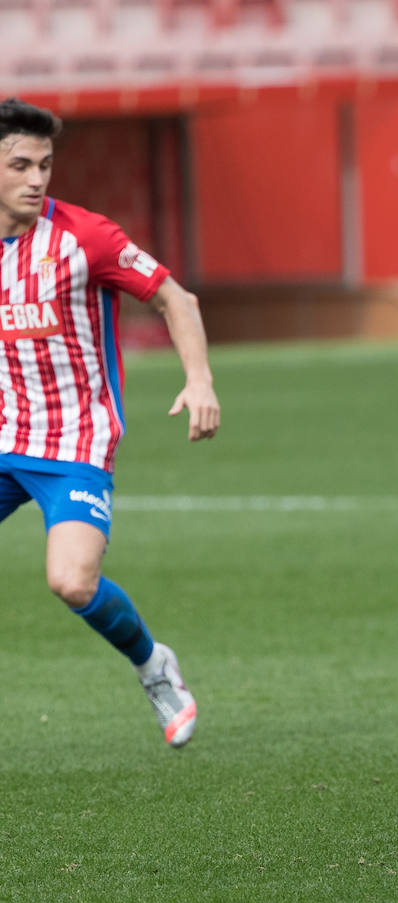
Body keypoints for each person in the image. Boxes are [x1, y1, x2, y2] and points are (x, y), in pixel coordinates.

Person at [0, 98, 220, 747]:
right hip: (4, 432)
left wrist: (200, 379)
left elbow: (174, 297)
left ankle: (154, 664)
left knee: (71, 579)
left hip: (74, 441)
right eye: (20, 164)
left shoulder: (83, 237)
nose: (37, 178)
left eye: (44, 164)